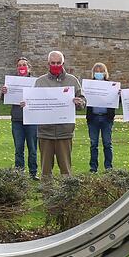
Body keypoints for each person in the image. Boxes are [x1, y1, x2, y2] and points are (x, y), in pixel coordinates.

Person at [26, 50, 85, 180]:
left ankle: (67, 195)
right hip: (45, 131)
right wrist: (27, 105)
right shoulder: (40, 82)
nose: (56, 65)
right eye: (53, 63)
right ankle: (47, 195)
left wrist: (79, 102)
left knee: (66, 170)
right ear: (48, 63)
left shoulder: (72, 80)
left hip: (65, 131)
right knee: (45, 171)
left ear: (63, 63)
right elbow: (34, 103)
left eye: (59, 63)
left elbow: (83, 101)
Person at [0, 57, 39, 180]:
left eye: (24, 65)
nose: (22, 67)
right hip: (17, 119)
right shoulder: (11, 82)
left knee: (32, 148)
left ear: (29, 67)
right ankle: (19, 173)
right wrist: (4, 92)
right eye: (19, 65)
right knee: (19, 148)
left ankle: (33, 173)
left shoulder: (35, 82)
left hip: (32, 119)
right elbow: (3, 100)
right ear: (17, 68)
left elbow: (40, 99)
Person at [87, 62, 116, 173]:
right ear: (93, 73)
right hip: (93, 118)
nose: (99, 73)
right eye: (97, 72)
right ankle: (93, 167)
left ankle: (108, 167)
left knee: (107, 143)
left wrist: (117, 94)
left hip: (106, 118)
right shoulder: (89, 85)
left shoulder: (111, 85)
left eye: (101, 71)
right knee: (93, 144)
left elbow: (115, 101)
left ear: (105, 73)